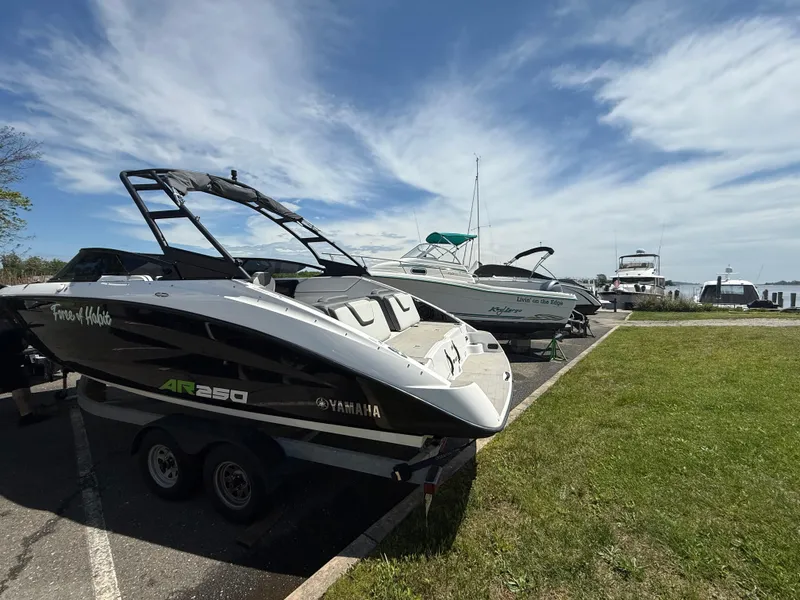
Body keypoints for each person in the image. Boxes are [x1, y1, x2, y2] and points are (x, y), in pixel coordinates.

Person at [0, 313, 50, 426]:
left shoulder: (7, 325)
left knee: (19, 385)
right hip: (7, 360)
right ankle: (26, 415)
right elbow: (18, 345)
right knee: (18, 387)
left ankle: (28, 412)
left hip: (8, 358)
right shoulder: (8, 327)